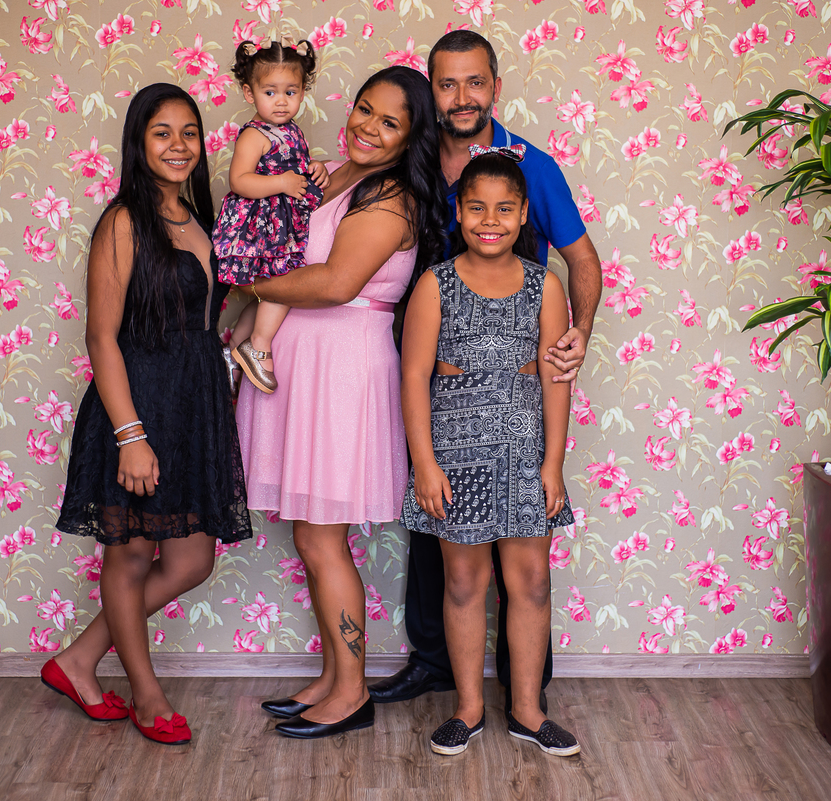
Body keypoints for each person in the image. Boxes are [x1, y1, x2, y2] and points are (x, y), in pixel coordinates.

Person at [370, 29, 603, 709]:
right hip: (433, 373)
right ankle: (436, 664)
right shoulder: (411, 158)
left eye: (475, 82)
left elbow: (582, 260)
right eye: (447, 84)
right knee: (437, 534)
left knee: (525, 557)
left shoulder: (532, 167)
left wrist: (579, 334)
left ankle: (525, 687)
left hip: (518, 380)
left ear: (496, 87)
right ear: (432, 90)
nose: (462, 96)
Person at [233, 66, 449, 739]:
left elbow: (335, 282)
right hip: (306, 362)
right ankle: (333, 677)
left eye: (390, 122)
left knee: (324, 538)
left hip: (341, 371)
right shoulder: (344, 176)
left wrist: (248, 284)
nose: (368, 127)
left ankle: (352, 693)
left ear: (411, 137)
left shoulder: (392, 197)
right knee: (311, 532)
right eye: (364, 109)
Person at [45, 84, 252, 746]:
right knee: (131, 556)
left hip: (195, 404)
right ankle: (146, 693)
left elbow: (216, 314)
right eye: (162, 132)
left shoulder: (203, 219)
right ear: (139, 142)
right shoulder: (123, 222)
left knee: (191, 559)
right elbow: (101, 337)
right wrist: (130, 436)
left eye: (189, 132)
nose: (178, 145)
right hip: (136, 402)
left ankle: (78, 659)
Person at [401, 148, 579, 757]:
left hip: (525, 449)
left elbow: (555, 378)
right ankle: (468, 710)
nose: (490, 220)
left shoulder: (545, 285)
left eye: (505, 209)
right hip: (456, 452)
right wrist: (425, 464)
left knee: (531, 581)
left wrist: (552, 464)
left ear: (524, 213)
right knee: (462, 581)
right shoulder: (436, 283)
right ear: (459, 211)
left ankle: (528, 711)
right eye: (477, 207)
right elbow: (414, 377)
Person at [214, 36, 330, 394]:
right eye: (270, 92)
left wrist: (314, 168)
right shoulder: (255, 135)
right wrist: (280, 182)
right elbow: (239, 179)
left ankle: (235, 349)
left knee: (268, 291)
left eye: (290, 92)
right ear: (249, 94)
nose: (281, 101)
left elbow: (292, 164)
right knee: (285, 283)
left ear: (302, 92)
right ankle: (258, 345)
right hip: (262, 224)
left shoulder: (291, 130)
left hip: (283, 221)